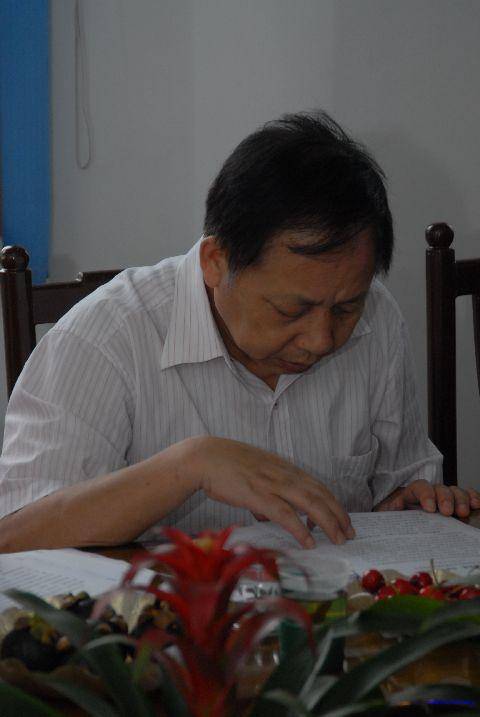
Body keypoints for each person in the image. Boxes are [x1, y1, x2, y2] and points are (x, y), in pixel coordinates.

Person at [0, 111, 478, 554]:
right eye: (291, 310)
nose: (322, 339)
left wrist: (407, 504)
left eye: (345, 308)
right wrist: (187, 467)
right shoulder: (105, 338)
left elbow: (400, 479)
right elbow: (14, 537)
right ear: (216, 262)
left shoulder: (376, 317)